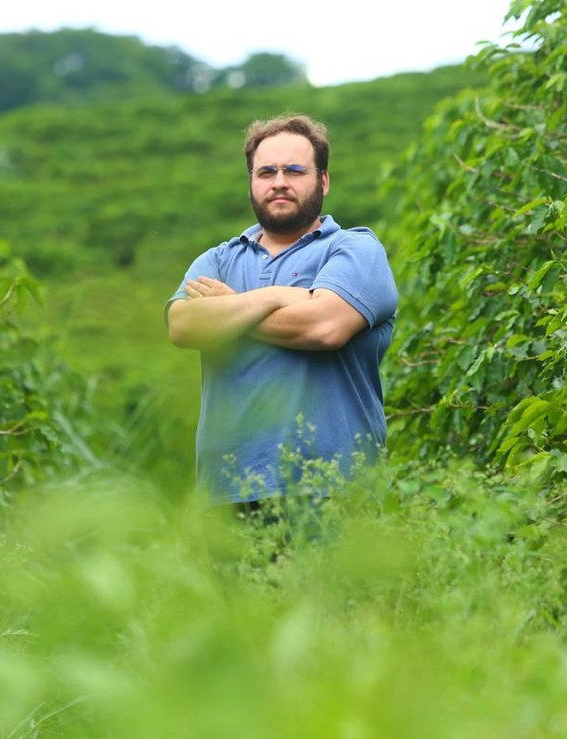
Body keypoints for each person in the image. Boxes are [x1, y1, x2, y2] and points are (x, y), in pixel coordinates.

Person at [165, 114, 398, 515]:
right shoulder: (218, 259)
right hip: (228, 494)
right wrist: (277, 296)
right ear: (251, 182)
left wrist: (230, 308)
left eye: (294, 171)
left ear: (323, 181)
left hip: (337, 488)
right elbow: (184, 325)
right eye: (266, 172)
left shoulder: (355, 250)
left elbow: (325, 327)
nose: (279, 182)